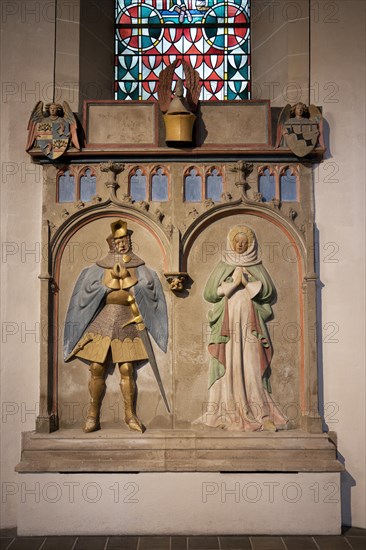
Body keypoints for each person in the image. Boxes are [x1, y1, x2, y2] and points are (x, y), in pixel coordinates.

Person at [63, 219, 168, 433]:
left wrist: (135, 292)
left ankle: (130, 415)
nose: (122, 244)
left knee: (127, 369)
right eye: (118, 240)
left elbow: (150, 291)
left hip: (127, 319)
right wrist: (106, 284)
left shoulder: (141, 268)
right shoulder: (97, 268)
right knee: (97, 367)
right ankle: (92, 415)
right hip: (105, 317)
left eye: (125, 239)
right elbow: (86, 295)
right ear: (111, 243)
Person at [202, 225, 287, 431]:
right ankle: (228, 409)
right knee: (231, 361)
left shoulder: (255, 264)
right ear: (232, 243)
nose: (240, 245)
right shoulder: (224, 264)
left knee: (251, 362)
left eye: (244, 242)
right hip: (229, 322)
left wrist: (247, 280)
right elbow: (210, 292)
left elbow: (267, 291)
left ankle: (260, 411)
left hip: (250, 322)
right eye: (237, 242)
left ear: (249, 244)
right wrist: (233, 282)